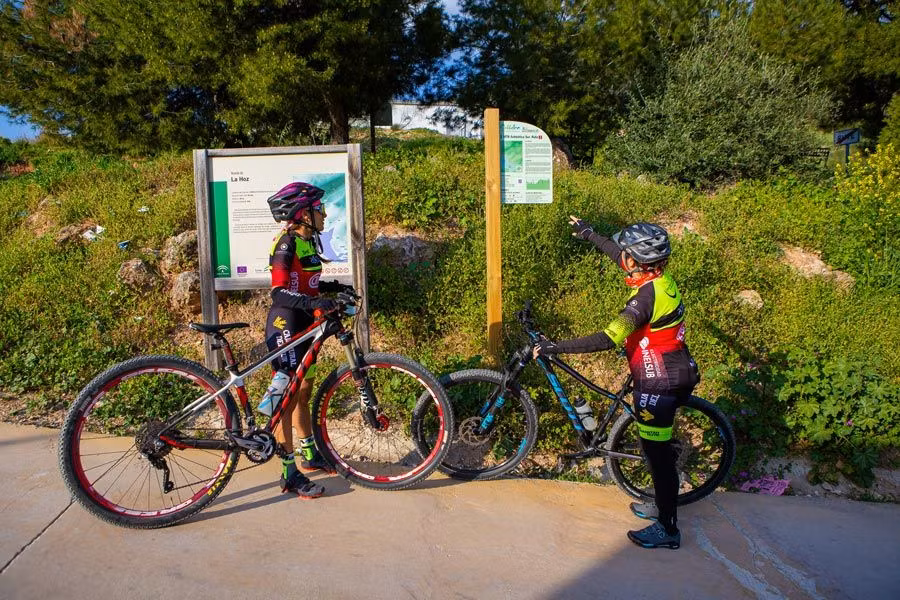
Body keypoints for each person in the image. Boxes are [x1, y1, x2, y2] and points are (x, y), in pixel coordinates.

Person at [533, 217, 699, 550]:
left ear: (637, 261)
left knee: (658, 456)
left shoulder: (644, 300)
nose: (620, 257)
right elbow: (617, 253)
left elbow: (610, 337)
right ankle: (661, 503)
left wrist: (555, 347)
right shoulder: (660, 282)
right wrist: (588, 234)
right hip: (669, 368)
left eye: (625, 254)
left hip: (659, 383)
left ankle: (668, 528)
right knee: (655, 452)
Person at [261, 181, 352, 499]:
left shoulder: (306, 241)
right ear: (302, 214)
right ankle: (288, 472)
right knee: (286, 400)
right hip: (285, 323)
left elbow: (307, 282)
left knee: (304, 393)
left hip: (305, 326)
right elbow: (279, 291)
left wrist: (332, 288)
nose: (325, 214)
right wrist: (316, 304)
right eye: (319, 209)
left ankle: (309, 453)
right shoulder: (286, 243)